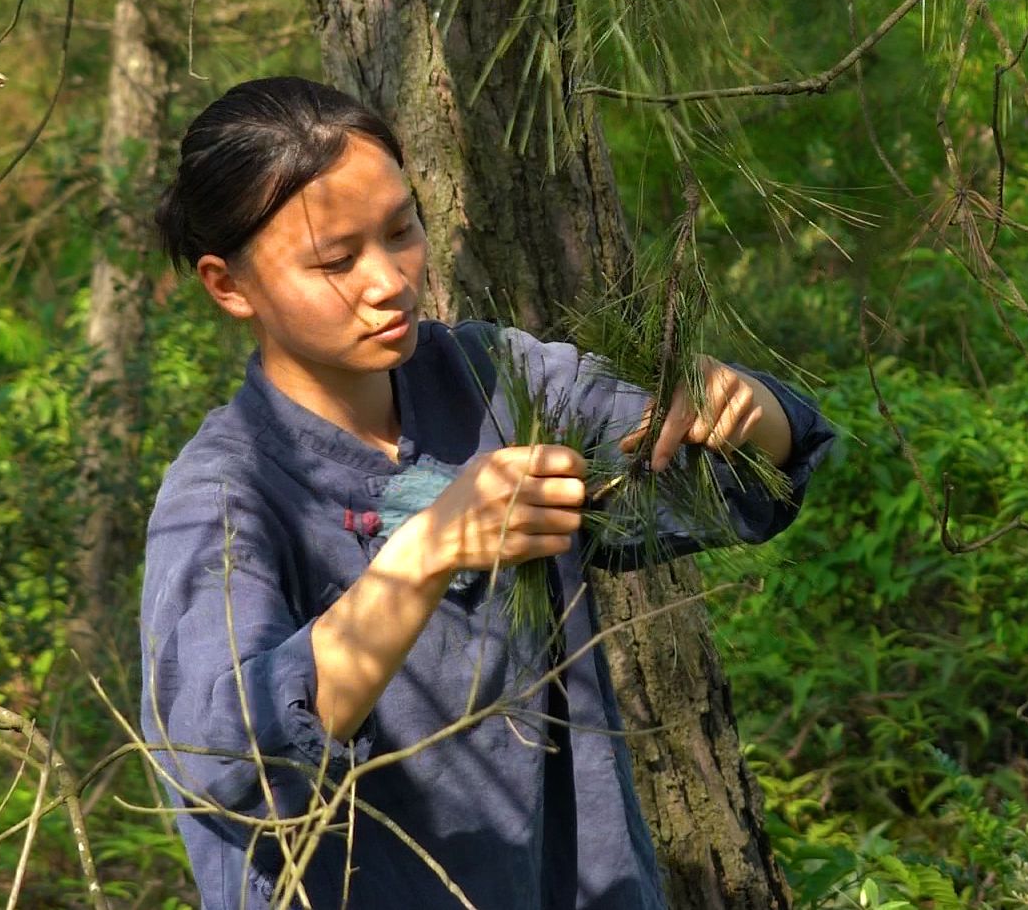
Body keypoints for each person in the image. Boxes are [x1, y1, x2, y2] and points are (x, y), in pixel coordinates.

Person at [137, 76, 839, 909]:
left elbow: (732, 485)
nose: (389, 281)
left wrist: (745, 410)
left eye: (402, 231)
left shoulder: (492, 383)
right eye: (335, 260)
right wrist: (429, 551)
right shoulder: (227, 493)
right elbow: (229, 767)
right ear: (229, 285)